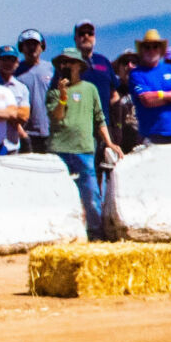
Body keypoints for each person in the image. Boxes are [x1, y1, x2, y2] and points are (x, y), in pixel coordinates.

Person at [47, 49, 117, 239]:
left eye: (70, 62)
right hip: (59, 149)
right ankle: (63, 233)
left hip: (84, 148)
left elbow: (99, 118)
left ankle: (96, 232)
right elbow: (57, 116)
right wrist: (62, 95)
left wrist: (109, 142)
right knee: (59, 195)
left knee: (91, 194)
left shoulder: (90, 89)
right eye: (63, 63)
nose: (66, 66)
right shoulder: (53, 91)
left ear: (79, 66)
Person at [129, 30, 171, 146]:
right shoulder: (136, 74)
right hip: (150, 134)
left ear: (160, 49)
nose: (151, 50)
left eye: (155, 46)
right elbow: (147, 100)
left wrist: (161, 95)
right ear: (142, 50)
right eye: (147, 47)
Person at [13, 30, 54, 152]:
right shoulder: (15, 72)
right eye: (27, 44)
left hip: (50, 132)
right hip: (26, 134)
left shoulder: (51, 69)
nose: (32, 48)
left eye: (35, 44)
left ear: (42, 47)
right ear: (21, 48)